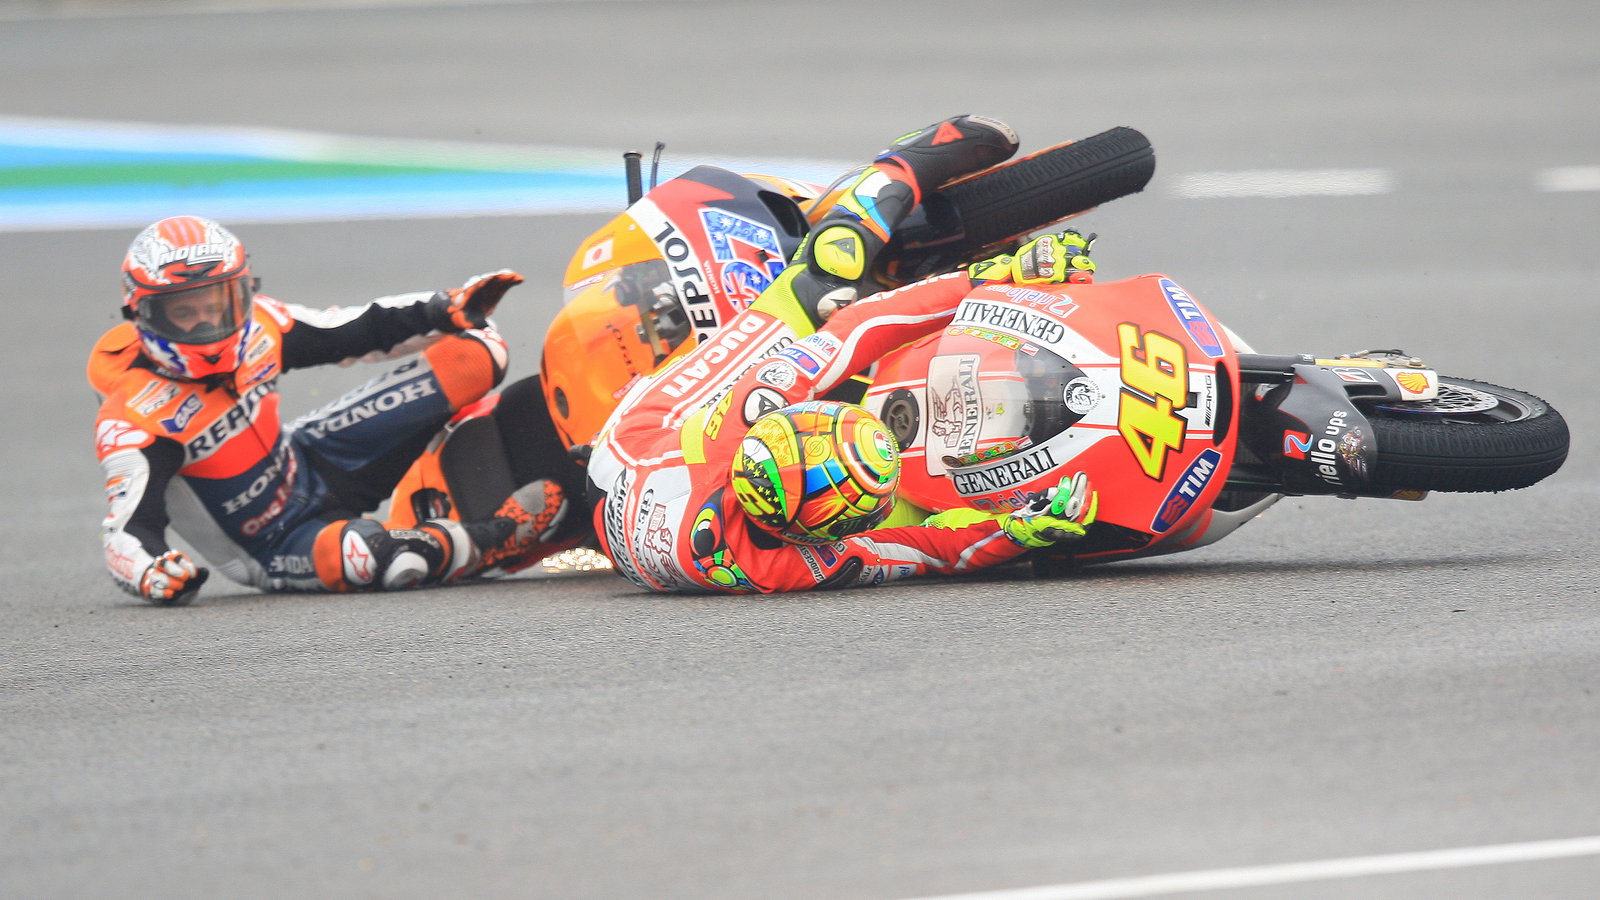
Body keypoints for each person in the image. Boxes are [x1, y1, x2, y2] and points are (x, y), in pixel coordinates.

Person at [584, 115, 1103, 593]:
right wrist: (1018, 532)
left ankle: (898, 169)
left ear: (784, 420)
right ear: (819, 539)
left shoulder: (748, 413)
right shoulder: (787, 568)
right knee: (921, 515)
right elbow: (922, 552)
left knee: (821, 290)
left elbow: (857, 325)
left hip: (636, 445)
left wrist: (989, 278)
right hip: (663, 525)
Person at [89, 215, 534, 605]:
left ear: (244, 293)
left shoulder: (259, 325)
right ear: (143, 314)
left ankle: (449, 469)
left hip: (312, 460)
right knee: (363, 557)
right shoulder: (133, 416)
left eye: (220, 305)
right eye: (185, 313)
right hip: (275, 543)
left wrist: (445, 308)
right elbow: (127, 533)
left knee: (477, 348)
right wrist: (154, 573)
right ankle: (490, 539)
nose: (209, 325)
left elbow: (352, 330)